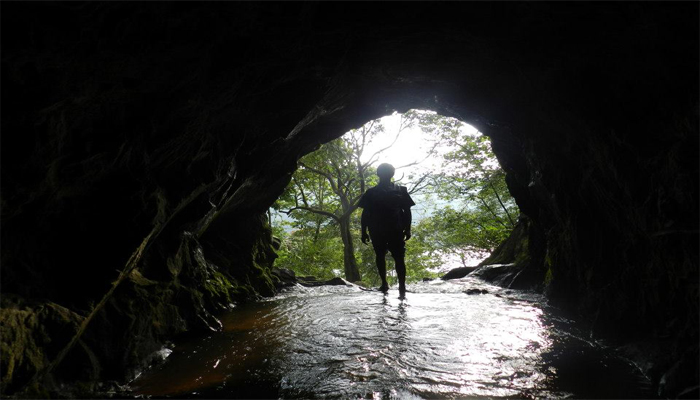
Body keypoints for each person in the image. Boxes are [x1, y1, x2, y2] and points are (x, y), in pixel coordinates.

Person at [357, 163, 416, 295]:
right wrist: (363, 231)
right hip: (378, 229)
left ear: (391, 174)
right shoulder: (371, 193)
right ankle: (385, 283)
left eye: (387, 172)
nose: (385, 175)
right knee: (381, 256)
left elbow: (407, 211)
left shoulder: (401, 190)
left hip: (395, 229)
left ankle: (401, 285)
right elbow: (365, 213)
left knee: (398, 257)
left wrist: (407, 229)